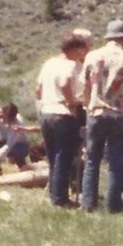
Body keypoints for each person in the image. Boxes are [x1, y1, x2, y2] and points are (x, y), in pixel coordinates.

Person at [79, 20, 123, 213]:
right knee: (116, 160)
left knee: (92, 158)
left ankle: (88, 203)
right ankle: (113, 205)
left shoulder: (92, 57)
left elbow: (85, 85)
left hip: (96, 112)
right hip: (117, 114)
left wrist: (86, 104)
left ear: (108, 37)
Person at [34, 33, 90, 207]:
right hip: (62, 113)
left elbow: (38, 89)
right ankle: (60, 199)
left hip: (46, 112)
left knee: (53, 156)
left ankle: (54, 194)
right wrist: (71, 102)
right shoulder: (71, 65)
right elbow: (65, 83)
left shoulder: (50, 63)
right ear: (75, 49)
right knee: (63, 157)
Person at [0, 102, 36, 173]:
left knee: (17, 151)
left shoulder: (17, 122)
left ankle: (23, 167)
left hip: (20, 145)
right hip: (4, 141)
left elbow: (9, 145)